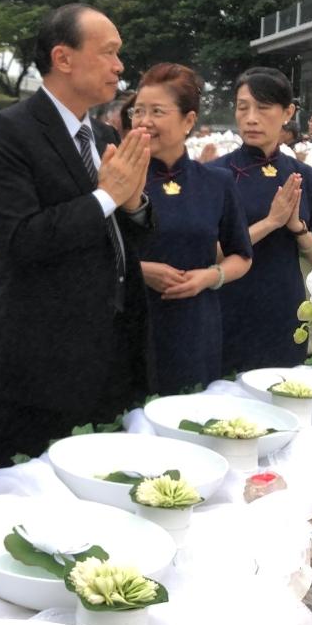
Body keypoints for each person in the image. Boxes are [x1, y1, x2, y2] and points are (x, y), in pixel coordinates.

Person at [0, 4, 153, 470]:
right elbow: (21, 238)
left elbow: (124, 230)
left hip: (111, 351)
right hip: (44, 362)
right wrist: (105, 197)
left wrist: (132, 204)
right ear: (64, 57)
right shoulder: (8, 131)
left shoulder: (101, 132)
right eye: (109, 53)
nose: (119, 66)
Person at [124, 65, 251, 395]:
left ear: (188, 121)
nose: (143, 121)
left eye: (156, 112)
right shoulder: (115, 180)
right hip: (131, 320)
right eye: (138, 111)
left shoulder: (216, 182)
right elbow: (93, 252)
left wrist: (207, 278)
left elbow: (241, 255)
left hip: (194, 324)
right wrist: (140, 270)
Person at [209, 68, 312, 372]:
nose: (251, 118)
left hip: (282, 307)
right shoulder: (214, 175)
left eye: (263, 108)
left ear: (287, 112)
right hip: (227, 307)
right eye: (242, 107)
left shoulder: (306, 177)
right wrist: (271, 222)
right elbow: (208, 253)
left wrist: (298, 230)